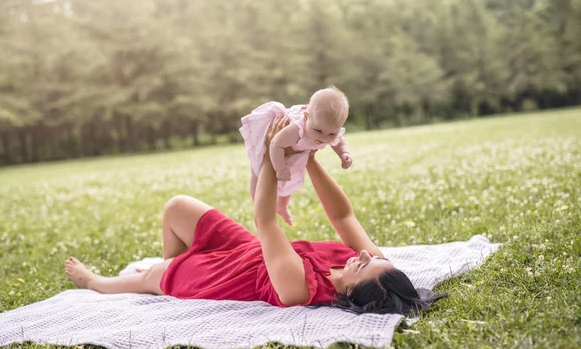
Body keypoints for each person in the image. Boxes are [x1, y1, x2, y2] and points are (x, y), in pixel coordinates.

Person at [65, 116, 443, 315]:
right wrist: (310, 157)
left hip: (227, 276)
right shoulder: (374, 266)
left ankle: (99, 282)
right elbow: (344, 217)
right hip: (247, 250)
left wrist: (268, 156)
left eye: (363, 266)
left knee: (156, 276)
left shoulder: (300, 289)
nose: (363, 256)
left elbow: (265, 221)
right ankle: (172, 263)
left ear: (349, 292)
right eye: (372, 257)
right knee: (177, 206)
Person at [239, 86, 352, 225]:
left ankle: (282, 206)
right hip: (271, 142)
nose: (324, 137)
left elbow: (339, 141)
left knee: (291, 177)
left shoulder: (327, 128)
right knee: (258, 172)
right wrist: (280, 169)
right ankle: (259, 209)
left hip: (294, 150)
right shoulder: (296, 129)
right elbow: (275, 144)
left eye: (331, 134)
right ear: (306, 117)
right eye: (318, 130)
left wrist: (344, 153)